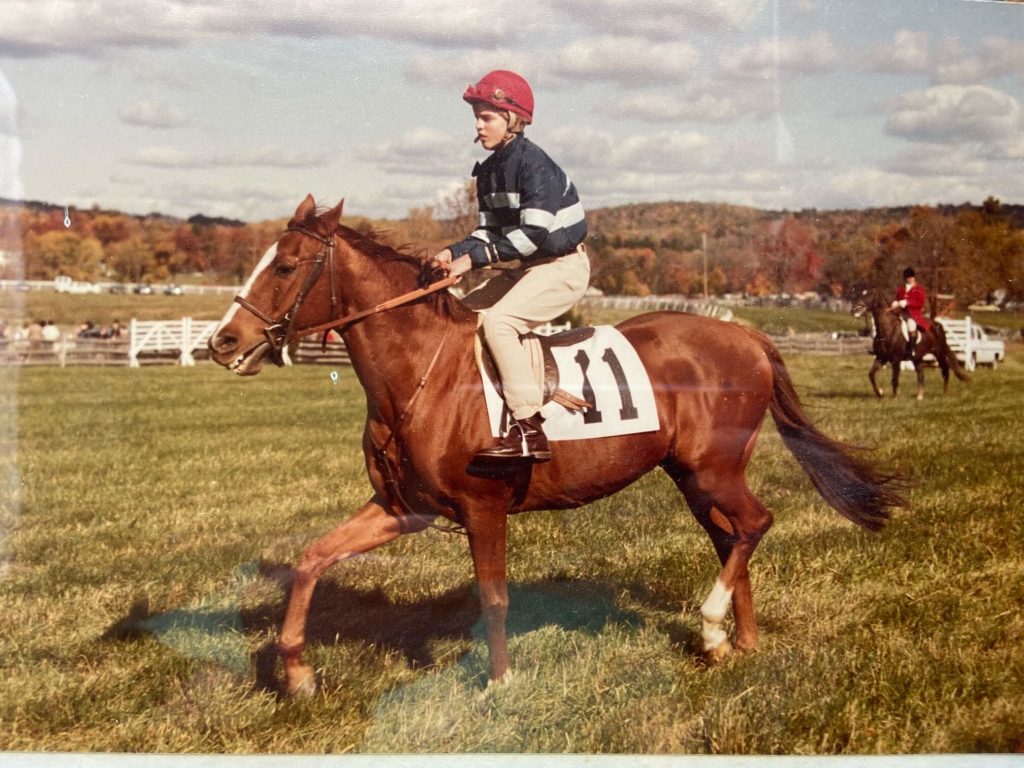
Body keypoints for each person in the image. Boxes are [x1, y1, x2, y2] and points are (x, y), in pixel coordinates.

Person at [429, 70, 590, 462]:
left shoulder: (535, 165)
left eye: (487, 117)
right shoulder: (488, 171)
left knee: (500, 323)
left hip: (563, 268)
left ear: (512, 121)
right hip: (529, 268)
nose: (478, 125)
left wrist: (471, 260)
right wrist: (450, 253)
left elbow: (531, 236)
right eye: (478, 116)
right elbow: (487, 234)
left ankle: (528, 428)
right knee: (464, 316)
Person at [891, 267, 931, 358]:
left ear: (914, 277)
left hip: (913, 315)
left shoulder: (919, 289)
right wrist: (896, 302)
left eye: (911, 277)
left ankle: (912, 349)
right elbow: (898, 298)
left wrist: (907, 302)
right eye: (908, 278)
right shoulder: (901, 289)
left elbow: (920, 303)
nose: (909, 279)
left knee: (911, 325)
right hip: (902, 314)